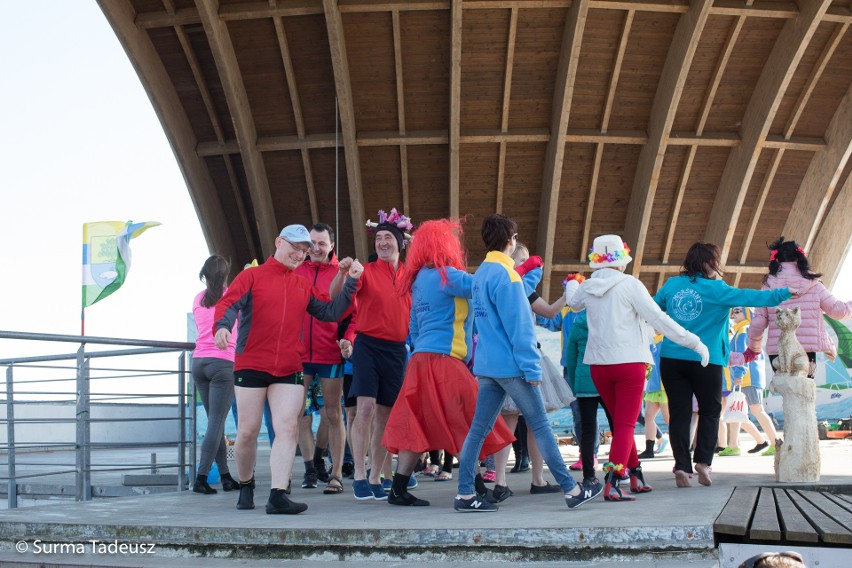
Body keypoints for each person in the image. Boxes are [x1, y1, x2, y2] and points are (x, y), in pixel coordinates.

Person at [455, 214, 600, 512]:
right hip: (512, 366)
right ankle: (572, 489)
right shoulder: (508, 276)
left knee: (479, 430)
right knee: (541, 427)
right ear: (511, 239)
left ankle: (465, 494)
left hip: (487, 366)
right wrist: (532, 368)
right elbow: (519, 327)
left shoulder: (481, 272)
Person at [213, 224, 363, 514]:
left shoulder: (303, 284)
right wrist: (222, 327)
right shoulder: (251, 276)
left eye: (305, 250)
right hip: (251, 364)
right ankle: (246, 484)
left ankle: (278, 495)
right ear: (278, 242)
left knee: (287, 427)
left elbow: (332, 311)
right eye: (296, 247)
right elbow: (228, 303)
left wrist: (352, 283)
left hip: (289, 367)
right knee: (247, 431)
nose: (301, 254)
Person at [565, 234, 709, 501]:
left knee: (622, 425)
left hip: (598, 366)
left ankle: (636, 475)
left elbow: (572, 302)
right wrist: (695, 343)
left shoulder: (588, 287)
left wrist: (572, 283)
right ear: (622, 261)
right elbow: (659, 319)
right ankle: (613, 481)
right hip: (629, 364)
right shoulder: (630, 285)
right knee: (625, 425)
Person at [381, 219, 514, 506]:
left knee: (416, 425)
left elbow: (414, 329)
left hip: (419, 362)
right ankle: (475, 487)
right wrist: (519, 269)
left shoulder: (417, 281)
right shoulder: (447, 275)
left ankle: (398, 489)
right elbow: (482, 285)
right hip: (445, 362)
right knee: (469, 422)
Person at [653, 241, 792, 488]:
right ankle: (703, 463)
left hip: (672, 359)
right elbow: (752, 296)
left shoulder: (673, 285)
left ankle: (682, 467)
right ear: (709, 263)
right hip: (707, 361)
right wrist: (784, 293)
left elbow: (652, 308)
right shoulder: (717, 289)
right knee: (709, 411)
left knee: (680, 413)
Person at [348, 209, 413, 501]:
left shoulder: (410, 277)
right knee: (364, 409)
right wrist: (345, 274)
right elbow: (343, 296)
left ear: (401, 243)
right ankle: (359, 474)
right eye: (379, 238)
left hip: (397, 351)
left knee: (385, 416)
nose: (383, 242)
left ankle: (376, 474)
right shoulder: (366, 270)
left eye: (389, 237)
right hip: (367, 346)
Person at [294, 223, 350, 495]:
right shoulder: (295, 269)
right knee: (299, 415)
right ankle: (308, 469)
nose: (316, 249)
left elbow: (352, 312)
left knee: (332, 414)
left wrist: (347, 339)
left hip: (330, 354)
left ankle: (335, 474)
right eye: (312, 243)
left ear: (331, 246)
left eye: (322, 244)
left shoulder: (342, 273)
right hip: (299, 356)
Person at [748, 237, 852, 378]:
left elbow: (758, 322)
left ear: (776, 259)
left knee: (788, 393)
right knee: (805, 394)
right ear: (799, 257)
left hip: (778, 352)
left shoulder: (767, 285)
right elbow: (837, 310)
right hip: (806, 351)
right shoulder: (813, 284)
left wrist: (754, 349)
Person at [190, 255, 238, 495]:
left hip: (198, 362)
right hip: (222, 364)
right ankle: (201, 477)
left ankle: (227, 476)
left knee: (214, 424)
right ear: (225, 275)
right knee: (216, 423)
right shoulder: (231, 296)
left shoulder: (198, 298)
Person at [719, 307, 776, 457]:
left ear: (747, 313)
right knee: (736, 412)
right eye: (733, 311)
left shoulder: (744, 330)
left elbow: (744, 355)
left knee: (757, 410)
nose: (734, 314)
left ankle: (776, 442)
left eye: (738, 311)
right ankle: (733, 446)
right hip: (745, 377)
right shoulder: (741, 330)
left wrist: (739, 375)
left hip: (748, 378)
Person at [564, 310, 611, 492]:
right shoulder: (609, 320)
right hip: (606, 381)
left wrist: (576, 384)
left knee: (587, 431)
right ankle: (619, 470)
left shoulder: (578, 324)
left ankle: (589, 476)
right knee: (617, 426)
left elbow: (570, 358)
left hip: (584, 382)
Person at [638, 333, 669, 460]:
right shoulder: (650, 341)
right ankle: (649, 449)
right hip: (653, 386)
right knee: (649, 417)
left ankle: (682, 447)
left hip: (664, 386)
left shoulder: (667, 340)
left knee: (670, 419)